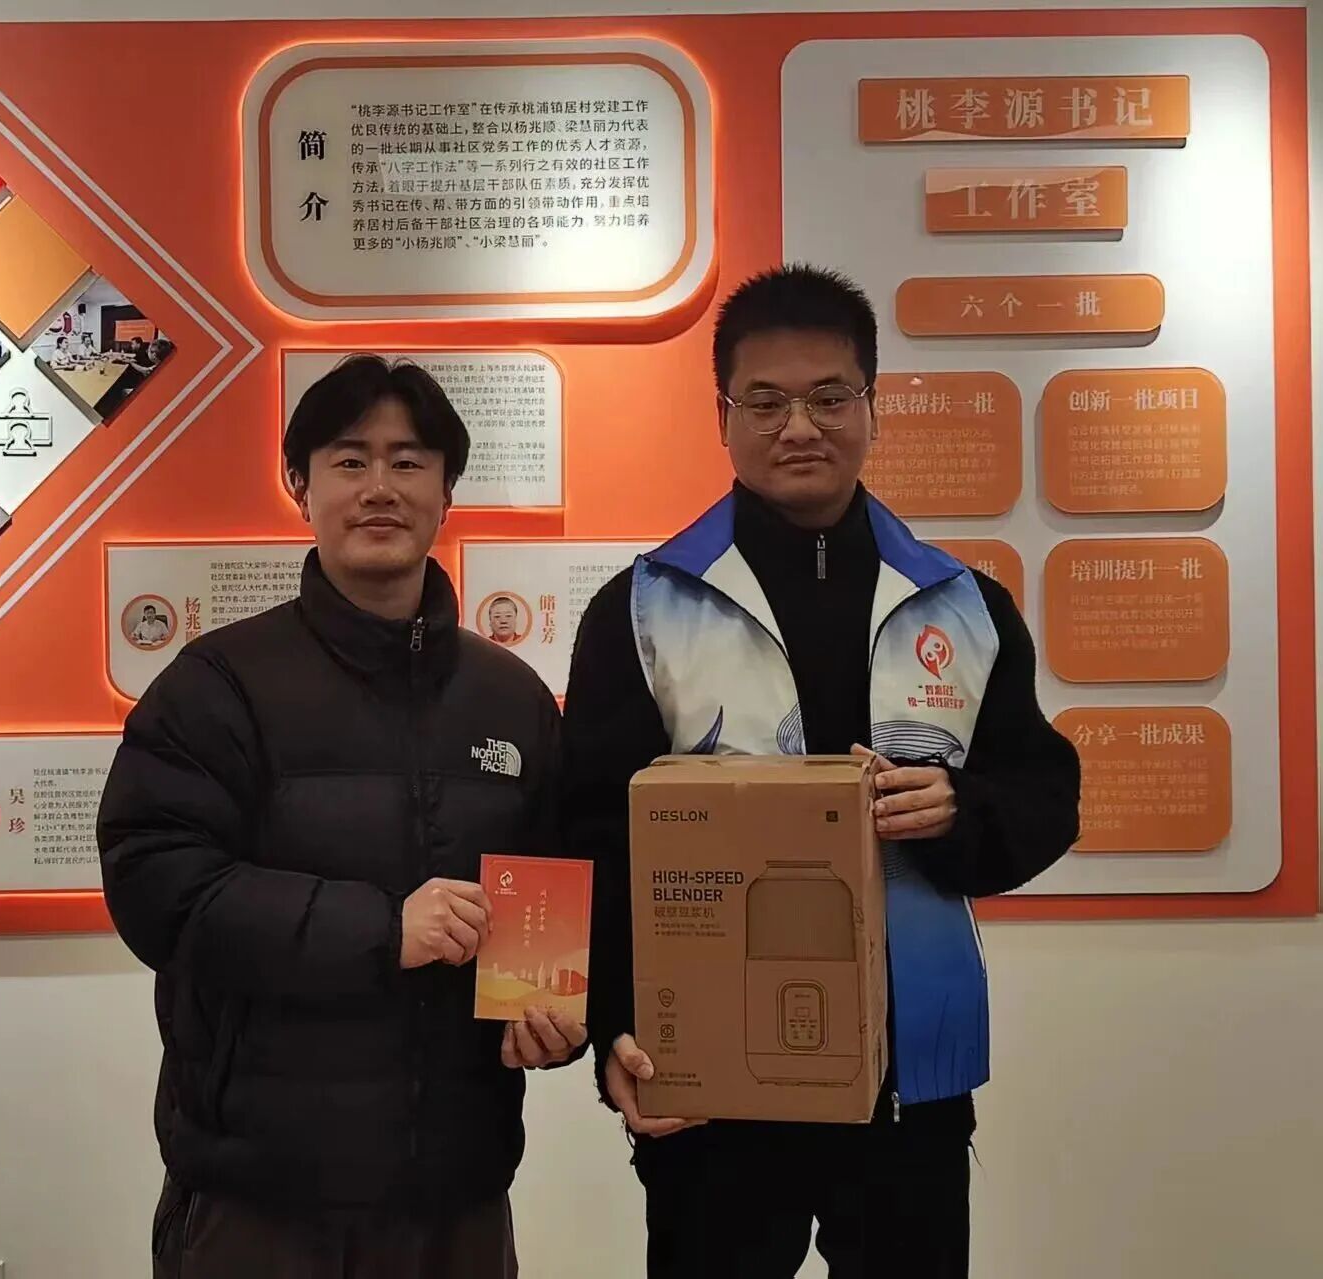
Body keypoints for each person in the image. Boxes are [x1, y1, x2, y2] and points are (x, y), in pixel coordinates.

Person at [563, 266, 1082, 1279]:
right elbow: (588, 833)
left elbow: (1044, 793)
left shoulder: (963, 604)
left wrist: (960, 808)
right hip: (712, 1074)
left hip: (909, 1078)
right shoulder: (642, 607)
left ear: (872, 408)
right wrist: (615, 1025)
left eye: (829, 397)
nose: (798, 426)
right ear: (722, 417)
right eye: (764, 402)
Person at [98, 355, 575, 1279]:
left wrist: (552, 1011)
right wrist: (383, 928)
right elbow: (159, 888)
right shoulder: (218, 685)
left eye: (409, 461)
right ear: (300, 485)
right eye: (350, 460)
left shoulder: (512, 699)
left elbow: (551, 881)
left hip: (459, 1198)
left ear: (447, 492)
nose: (380, 487)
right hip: (259, 1201)